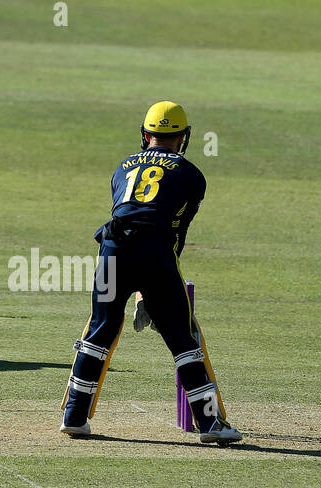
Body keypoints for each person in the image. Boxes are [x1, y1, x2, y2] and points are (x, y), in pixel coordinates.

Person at [60, 101, 241, 444]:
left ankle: (74, 417)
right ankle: (209, 425)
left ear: (145, 134)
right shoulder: (191, 174)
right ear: (183, 138)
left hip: (111, 250)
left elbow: (126, 210)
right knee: (182, 339)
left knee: (99, 332)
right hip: (155, 255)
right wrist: (151, 290)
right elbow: (176, 232)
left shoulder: (122, 166)